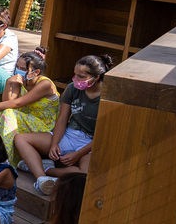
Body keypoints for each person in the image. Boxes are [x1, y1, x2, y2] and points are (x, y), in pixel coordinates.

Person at [16, 55, 111, 196]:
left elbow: (104, 134)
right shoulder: (72, 88)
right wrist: (54, 144)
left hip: (91, 143)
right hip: (69, 135)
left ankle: (47, 170)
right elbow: (62, 119)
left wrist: (79, 153)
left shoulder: (107, 97)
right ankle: (42, 179)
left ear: (96, 77)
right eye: (75, 74)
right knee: (21, 139)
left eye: (81, 76)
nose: (75, 79)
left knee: (85, 174)